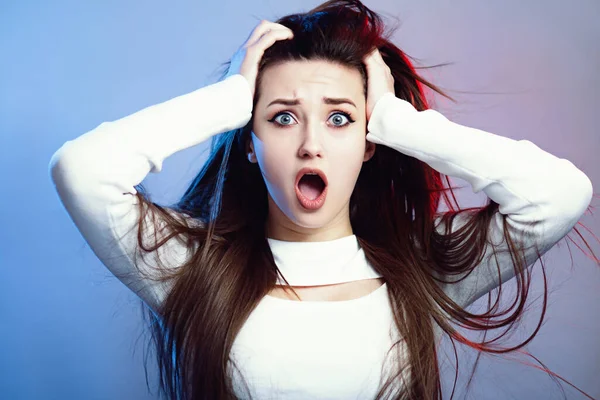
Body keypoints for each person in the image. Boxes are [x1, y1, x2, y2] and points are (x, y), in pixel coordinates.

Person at [48, 0, 596, 399]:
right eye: (282, 117)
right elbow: (82, 169)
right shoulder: (192, 268)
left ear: (367, 145)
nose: (310, 145)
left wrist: (397, 122)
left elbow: (557, 194)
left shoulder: (421, 268)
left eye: (340, 119)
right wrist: (230, 100)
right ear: (250, 144)